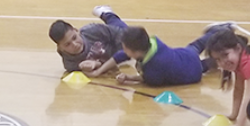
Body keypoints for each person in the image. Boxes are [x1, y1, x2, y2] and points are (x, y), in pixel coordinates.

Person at [91, 23, 232, 86]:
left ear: (133, 51)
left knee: (205, 64)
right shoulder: (152, 43)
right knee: (198, 44)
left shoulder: (154, 68)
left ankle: (215, 59)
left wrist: (128, 78)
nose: (122, 50)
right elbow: (121, 55)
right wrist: (99, 71)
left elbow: (147, 81)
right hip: (185, 54)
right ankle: (222, 30)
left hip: (192, 73)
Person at [49, 6, 128, 77]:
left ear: (77, 31)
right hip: (115, 56)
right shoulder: (70, 64)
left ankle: (106, 13)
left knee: (126, 31)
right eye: (67, 44)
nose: (75, 44)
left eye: (74, 38)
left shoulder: (92, 30)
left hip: (117, 42)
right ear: (60, 48)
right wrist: (96, 65)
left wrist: (123, 50)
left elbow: (120, 33)